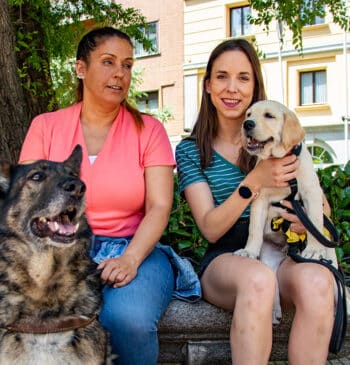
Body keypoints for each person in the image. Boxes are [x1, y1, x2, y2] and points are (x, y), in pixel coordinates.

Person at [19, 26, 180, 365]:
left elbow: (160, 206)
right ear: (81, 68)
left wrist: (130, 259)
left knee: (128, 320)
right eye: (108, 62)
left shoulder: (149, 130)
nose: (120, 73)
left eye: (127, 65)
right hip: (59, 251)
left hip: (136, 248)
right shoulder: (46, 126)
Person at [175, 38, 335, 365]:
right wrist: (253, 183)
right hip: (229, 255)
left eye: (243, 78)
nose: (232, 87)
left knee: (320, 283)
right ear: (207, 85)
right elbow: (210, 229)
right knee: (257, 278)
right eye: (221, 77)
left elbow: (319, 203)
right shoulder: (191, 150)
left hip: (284, 245)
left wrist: (301, 219)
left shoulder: (278, 133)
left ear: (254, 86)